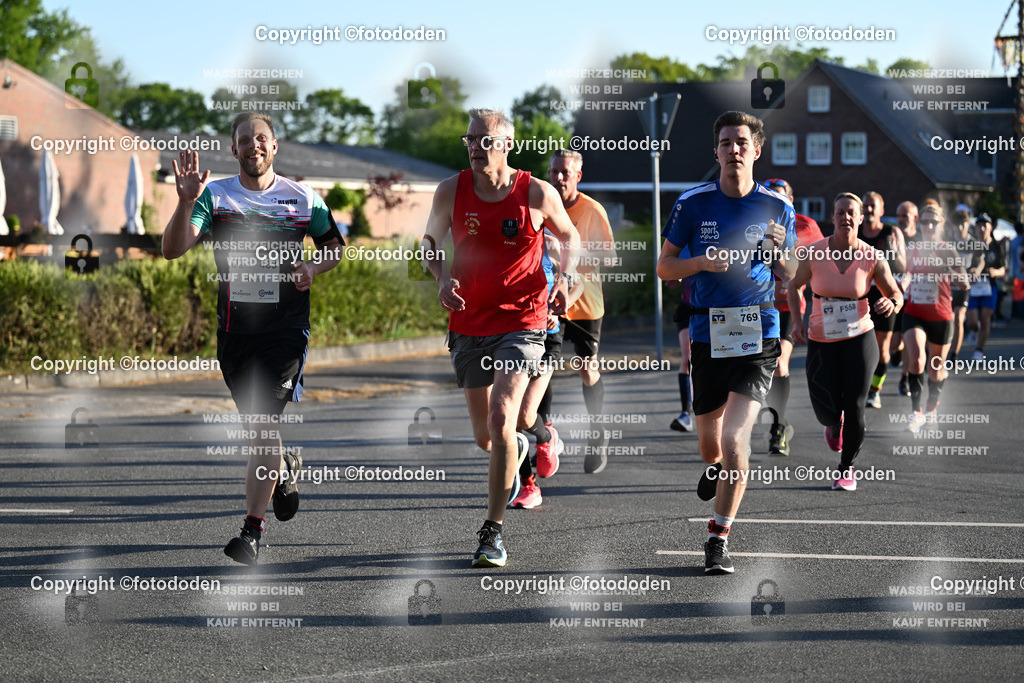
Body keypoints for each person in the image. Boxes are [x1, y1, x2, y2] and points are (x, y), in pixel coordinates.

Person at [162, 113, 344, 565]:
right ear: (234, 150)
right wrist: (186, 203)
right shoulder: (216, 197)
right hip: (235, 334)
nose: (253, 146)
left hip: (285, 331)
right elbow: (172, 249)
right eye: (244, 140)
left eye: (260, 138)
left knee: (262, 423)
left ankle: (251, 532)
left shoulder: (302, 198)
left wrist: (313, 268)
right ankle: (282, 471)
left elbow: (335, 246)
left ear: (275, 146)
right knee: (258, 432)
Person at [421, 108, 579, 567]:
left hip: (523, 321)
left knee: (501, 416)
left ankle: (492, 533)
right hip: (469, 321)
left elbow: (569, 239)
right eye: (469, 139)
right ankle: (525, 444)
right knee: (486, 438)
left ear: (507, 145)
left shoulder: (536, 192)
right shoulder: (450, 190)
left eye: (485, 140)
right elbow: (428, 243)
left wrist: (565, 280)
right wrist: (441, 275)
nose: (475, 147)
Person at [657, 110, 796, 574]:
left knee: (737, 440)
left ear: (756, 150)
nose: (733, 150)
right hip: (708, 333)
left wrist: (781, 253)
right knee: (710, 448)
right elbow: (664, 267)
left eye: (741, 142)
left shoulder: (778, 206)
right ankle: (715, 469)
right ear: (715, 151)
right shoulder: (692, 203)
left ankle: (718, 537)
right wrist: (700, 263)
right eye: (725, 142)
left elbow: (792, 272)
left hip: (759, 331)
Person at [789, 194, 903, 490]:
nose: (845, 217)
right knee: (824, 408)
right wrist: (796, 322)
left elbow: (896, 293)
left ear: (860, 217)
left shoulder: (872, 256)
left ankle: (846, 468)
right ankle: (832, 421)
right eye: (840, 212)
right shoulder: (813, 253)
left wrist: (892, 304)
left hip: (859, 336)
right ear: (833, 216)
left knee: (855, 405)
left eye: (851, 212)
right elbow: (794, 287)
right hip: (820, 338)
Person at [546, 149, 617, 474]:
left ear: (578, 176)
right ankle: (544, 439)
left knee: (586, 369)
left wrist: (572, 259)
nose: (558, 177)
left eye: (565, 172)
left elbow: (611, 258)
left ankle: (597, 433)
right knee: (540, 368)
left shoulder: (592, 209)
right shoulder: (542, 206)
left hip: (585, 302)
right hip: (549, 303)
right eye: (554, 171)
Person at [510, 231, 581, 509]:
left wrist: (560, 306)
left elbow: (579, 287)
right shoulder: (498, 241)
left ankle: (546, 436)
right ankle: (529, 486)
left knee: (526, 414)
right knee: (507, 422)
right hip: (508, 337)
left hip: (546, 335)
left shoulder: (550, 243)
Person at [761, 178, 824, 455]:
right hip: (755, 307)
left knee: (779, 365)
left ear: (791, 200)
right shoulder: (750, 224)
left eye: (781, 197)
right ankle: (781, 419)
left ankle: (776, 431)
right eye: (770, 197)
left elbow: (826, 259)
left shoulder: (807, 226)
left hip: (788, 308)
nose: (776, 202)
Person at [900, 204, 968, 433]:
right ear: (919, 224)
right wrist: (901, 285)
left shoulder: (948, 250)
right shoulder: (913, 249)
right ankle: (916, 412)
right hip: (914, 313)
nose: (928, 226)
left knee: (936, 370)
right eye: (924, 222)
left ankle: (931, 408)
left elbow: (965, 283)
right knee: (917, 360)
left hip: (941, 315)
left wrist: (943, 269)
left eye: (933, 222)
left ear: (941, 225)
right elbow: (907, 274)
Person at [858, 191, 906, 409]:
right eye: (865, 206)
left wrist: (894, 252)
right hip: (859, 296)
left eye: (872, 206)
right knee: (858, 347)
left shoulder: (892, 232)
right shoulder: (855, 232)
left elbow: (904, 267)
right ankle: (858, 387)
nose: (868, 210)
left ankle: (874, 392)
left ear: (881, 210)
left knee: (882, 348)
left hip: (885, 296)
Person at [965, 214, 1006, 360]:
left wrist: (996, 272)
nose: (982, 228)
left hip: (989, 287)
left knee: (985, 318)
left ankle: (979, 350)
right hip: (973, 287)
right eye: (979, 225)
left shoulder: (996, 246)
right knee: (972, 321)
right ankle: (974, 331)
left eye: (985, 225)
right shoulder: (971, 245)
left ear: (990, 227)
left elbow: (1003, 269)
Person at [892, 201, 920, 397]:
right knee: (895, 343)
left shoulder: (920, 241)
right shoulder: (891, 236)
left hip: (914, 297)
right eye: (899, 215)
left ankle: (905, 378)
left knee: (910, 339)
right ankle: (896, 351)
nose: (901, 220)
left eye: (905, 216)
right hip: (893, 295)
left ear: (915, 218)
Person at [668, 275, 695, 432]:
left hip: (714, 309)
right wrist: (676, 276)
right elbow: (671, 265)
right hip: (687, 308)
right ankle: (685, 414)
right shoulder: (684, 249)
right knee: (687, 357)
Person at [948, 208, 974, 362]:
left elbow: (981, 260)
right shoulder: (949, 243)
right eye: (956, 225)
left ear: (967, 224)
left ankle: (954, 355)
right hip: (949, 287)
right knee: (949, 319)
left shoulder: (974, 243)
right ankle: (945, 348)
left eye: (962, 225)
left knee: (958, 318)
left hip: (964, 287)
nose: (959, 228)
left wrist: (976, 270)